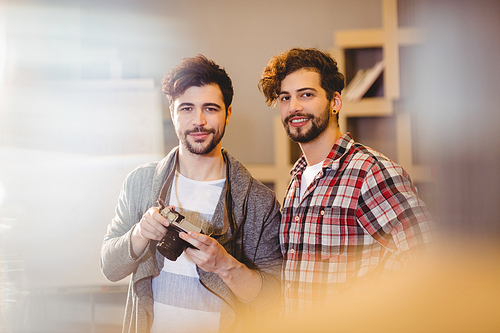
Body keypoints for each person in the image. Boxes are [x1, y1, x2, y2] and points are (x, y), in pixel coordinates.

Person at [101, 55, 282, 333]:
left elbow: (272, 296)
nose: (199, 121)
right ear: (172, 111)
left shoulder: (259, 202)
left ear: (228, 113)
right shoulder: (141, 182)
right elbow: (110, 268)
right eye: (187, 108)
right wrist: (140, 233)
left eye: (210, 108)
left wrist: (225, 265)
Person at [258, 48, 433, 316]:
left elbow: (426, 258)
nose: (294, 107)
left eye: (306, 94)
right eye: (285, 97)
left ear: (335, 102)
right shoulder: (297, 181)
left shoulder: (370, 171)